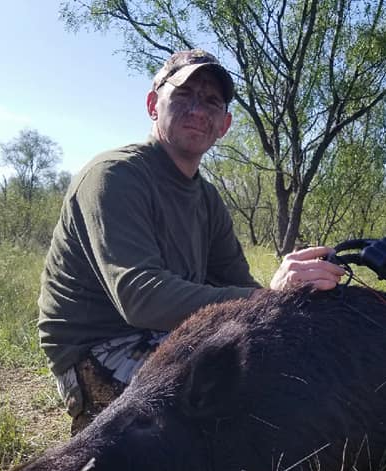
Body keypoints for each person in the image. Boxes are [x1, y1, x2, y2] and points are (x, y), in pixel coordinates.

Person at [38, 49, 345, 434]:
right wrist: (269, 296)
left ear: (224, 124)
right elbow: (141, 297)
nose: (198, 110)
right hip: (97, 350)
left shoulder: (207, 198)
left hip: (168, 334)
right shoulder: (114, 176)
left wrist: (291, 301)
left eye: (212, 101)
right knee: (239, 408)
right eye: (184, 95)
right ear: (153, 104)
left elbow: (240, 288)